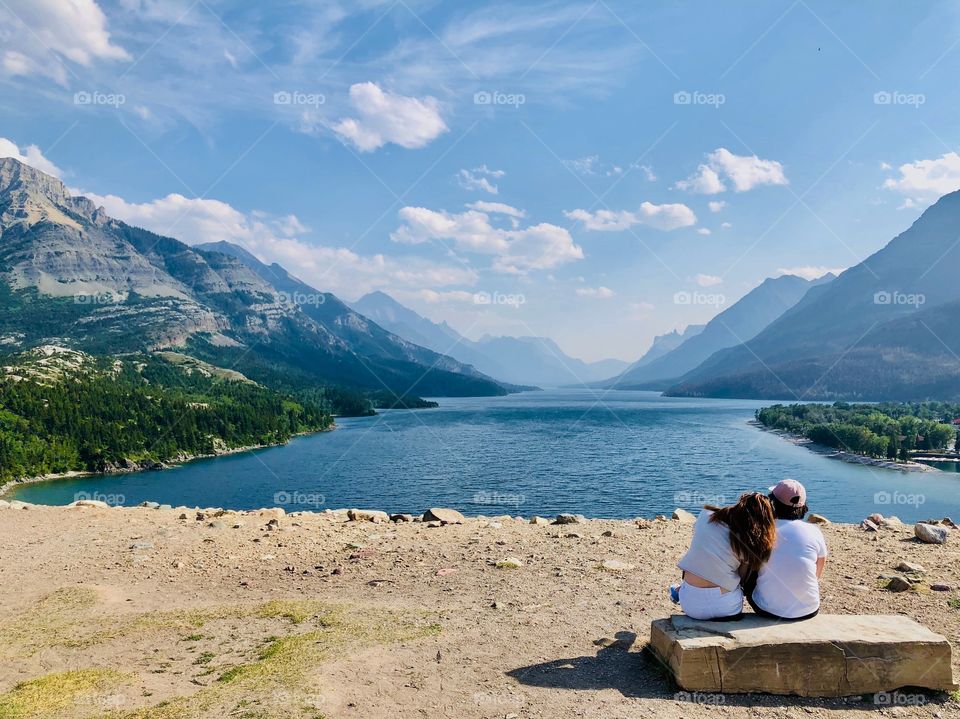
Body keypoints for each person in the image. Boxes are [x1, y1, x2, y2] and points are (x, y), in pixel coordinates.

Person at [672, 493, 777, 621]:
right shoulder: (749, 541)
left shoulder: (705, 515)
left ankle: (679, 590)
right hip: (727, 609)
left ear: (740, 504)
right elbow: (743, 578)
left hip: (689, 605)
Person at [744, 479, 827, 621]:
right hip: (809, 609)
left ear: (771, 503)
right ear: (803, 506)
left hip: (767, 610)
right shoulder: (814, 531)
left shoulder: (764, 530)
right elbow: (818, 571)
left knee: (750, 569)